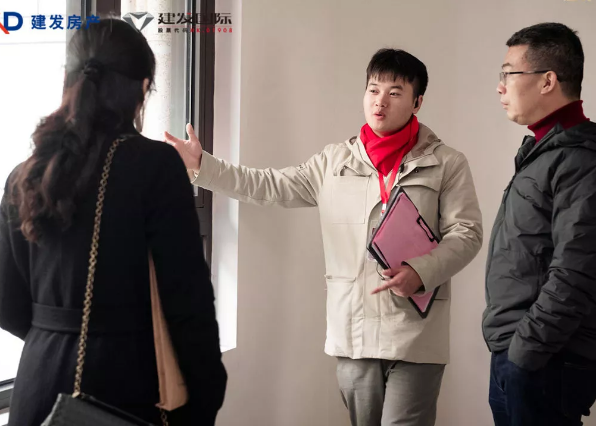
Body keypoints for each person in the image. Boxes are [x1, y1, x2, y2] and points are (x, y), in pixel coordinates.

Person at [166, 48, 482, 426]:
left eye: (395, 92)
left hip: (416, 331)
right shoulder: (334, 162)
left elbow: (467, 233)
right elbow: (269, 185)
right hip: (354, 331)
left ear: (417, 102)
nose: (380, 101)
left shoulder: (446, 163)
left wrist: (421, 271)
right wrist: (203, 166)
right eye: (373, 90)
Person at [0, 18, 226, 426]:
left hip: (36, 389)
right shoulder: (155, 166)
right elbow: (189, 305)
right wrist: (205, 398)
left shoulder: (25, 174)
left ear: (69, 79)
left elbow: (4, 305)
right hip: (124, 391)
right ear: (142, 88)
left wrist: (55, 336)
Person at [484, 22, 596, 426]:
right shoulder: (544, 151)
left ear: (548, 81)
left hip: (544, 361)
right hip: (522, 356)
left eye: (509, 73)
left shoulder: (580, 159)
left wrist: (524, 354)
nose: (500, 87)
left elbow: (576, 271)